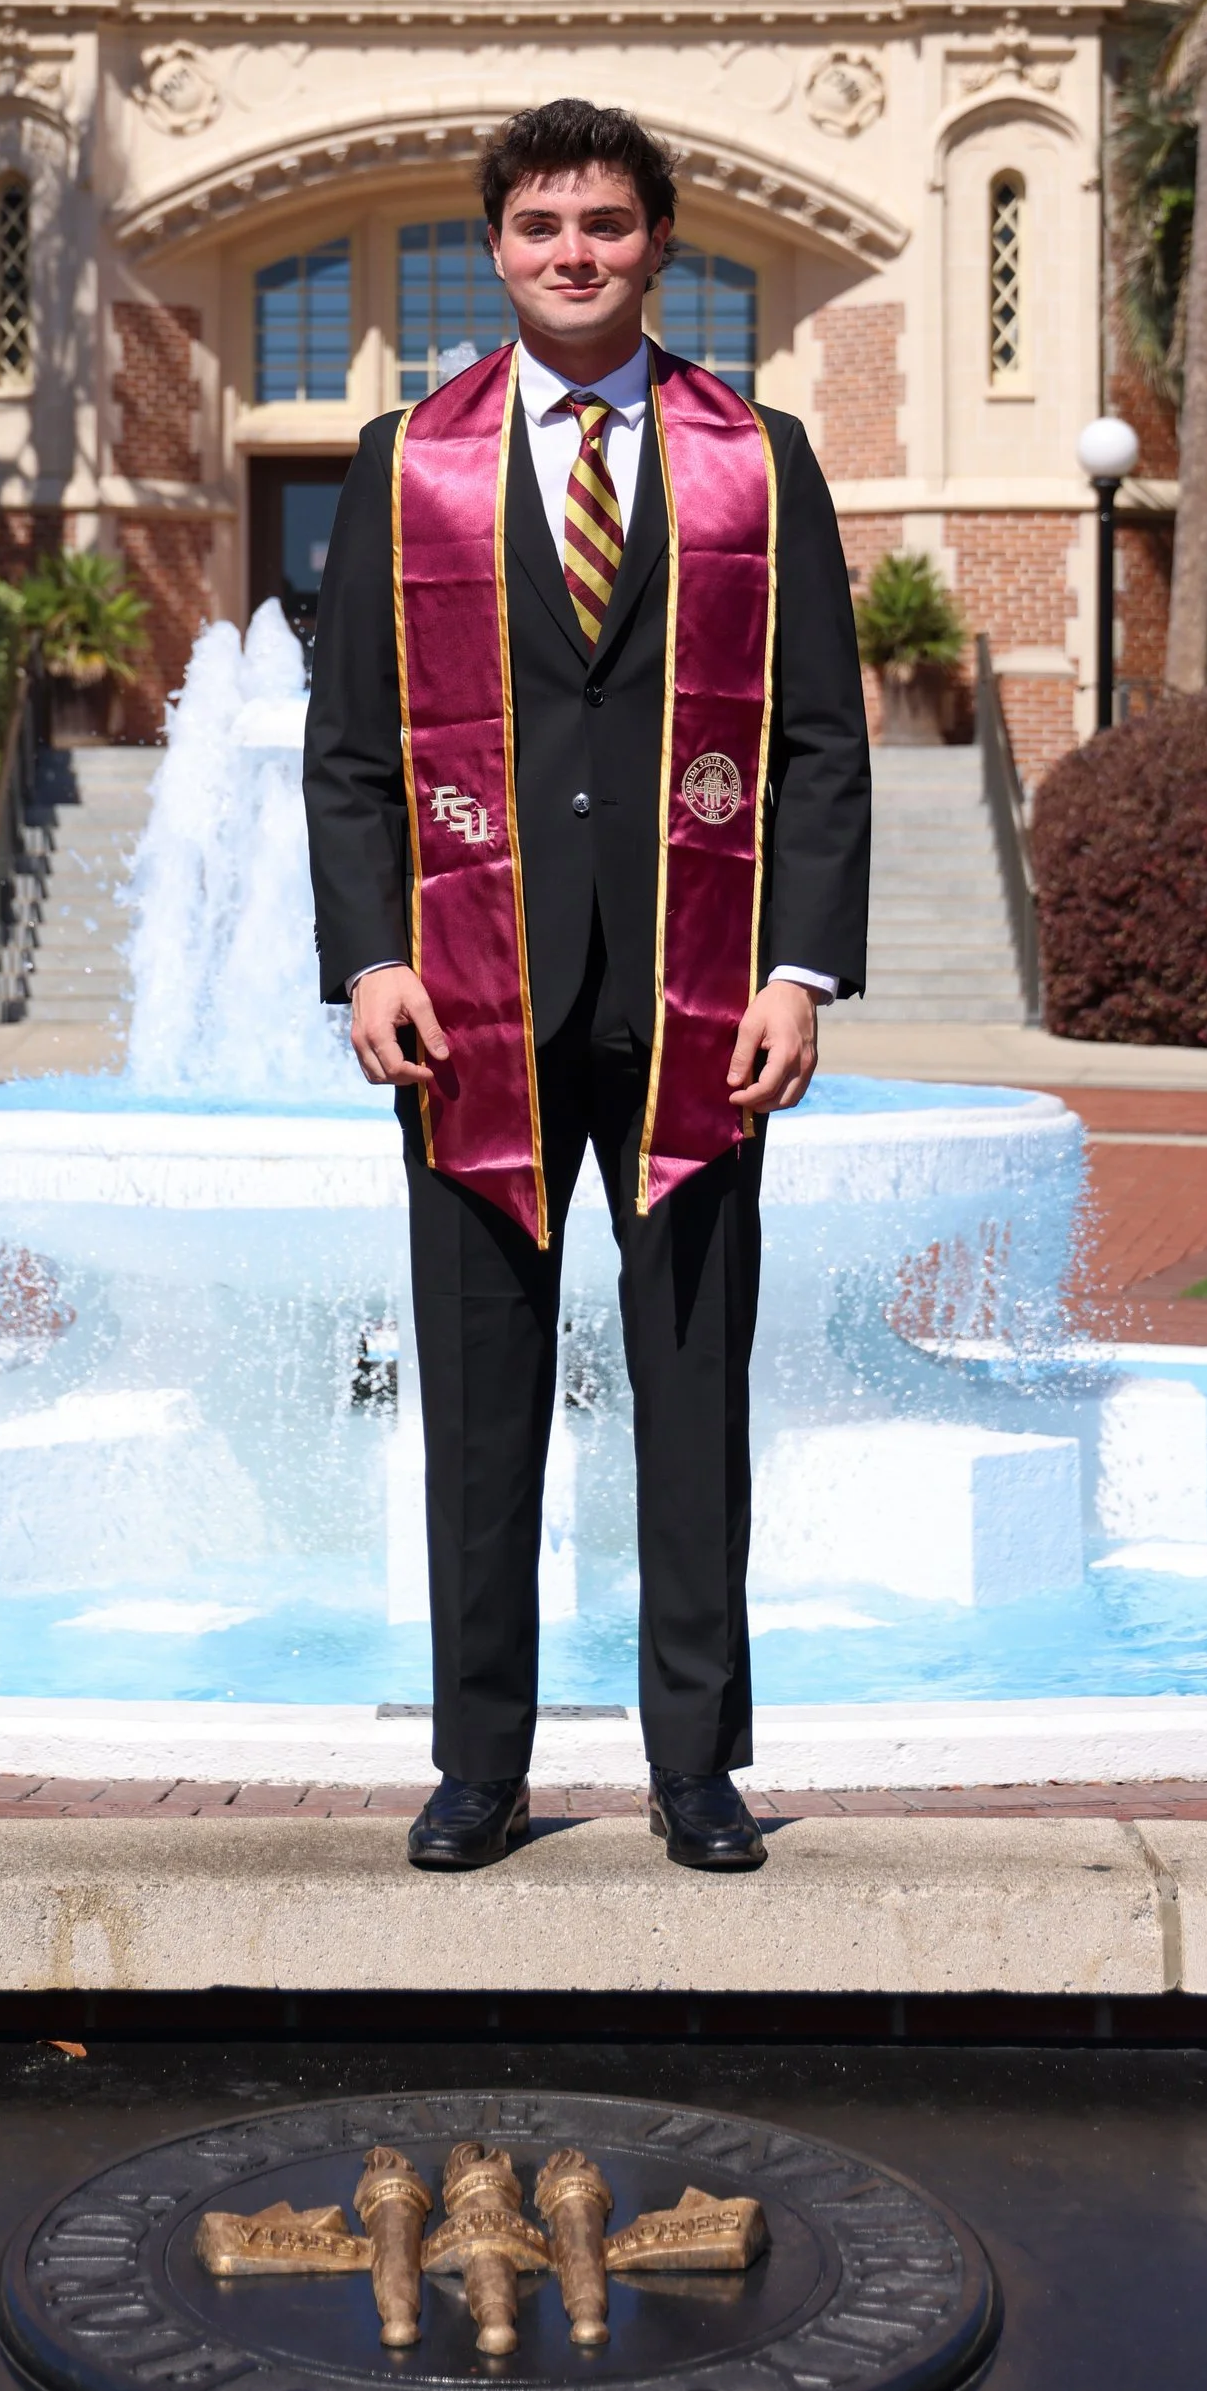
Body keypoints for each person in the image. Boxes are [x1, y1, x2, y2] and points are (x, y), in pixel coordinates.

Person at [304, 102, 872, 1875]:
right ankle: (481, 1763)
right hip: (471, 1011)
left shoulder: (756, 460)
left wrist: (800, 968)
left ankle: (695, 1765)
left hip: (700, 1008)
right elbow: (348, 762)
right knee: (482, 1412)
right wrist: (371, 954)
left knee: (693, 1402)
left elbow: (825, 748)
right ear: (495, 248)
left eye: (608, 224)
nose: (575, 251)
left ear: (658, 243)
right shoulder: (411, 462)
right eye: (542, 223)